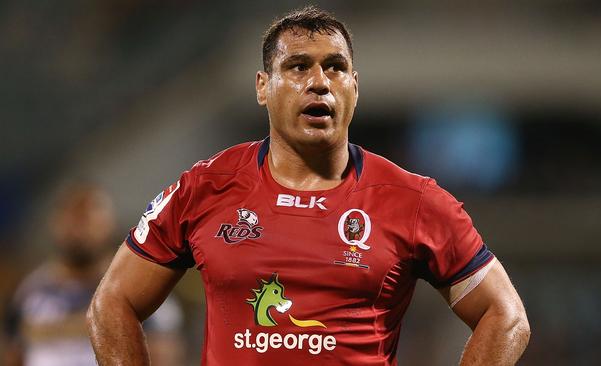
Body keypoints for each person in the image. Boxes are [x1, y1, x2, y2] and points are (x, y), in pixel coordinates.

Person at [87, 6, 530, 365]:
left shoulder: (413, 201)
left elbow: (506, 317)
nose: (319, 82)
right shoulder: (204, 188)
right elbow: (111, 303)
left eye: (336, 68)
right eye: (298, 66)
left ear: (355, 87)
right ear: (263, 87)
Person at [3, 183, 185, 366]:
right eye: (71, 218)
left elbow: (164, 354)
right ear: (55, 223)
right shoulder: (30, 293)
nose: (78, 230)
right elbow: (12, 355)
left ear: (108, 224)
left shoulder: (138, 288)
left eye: (87, 218)